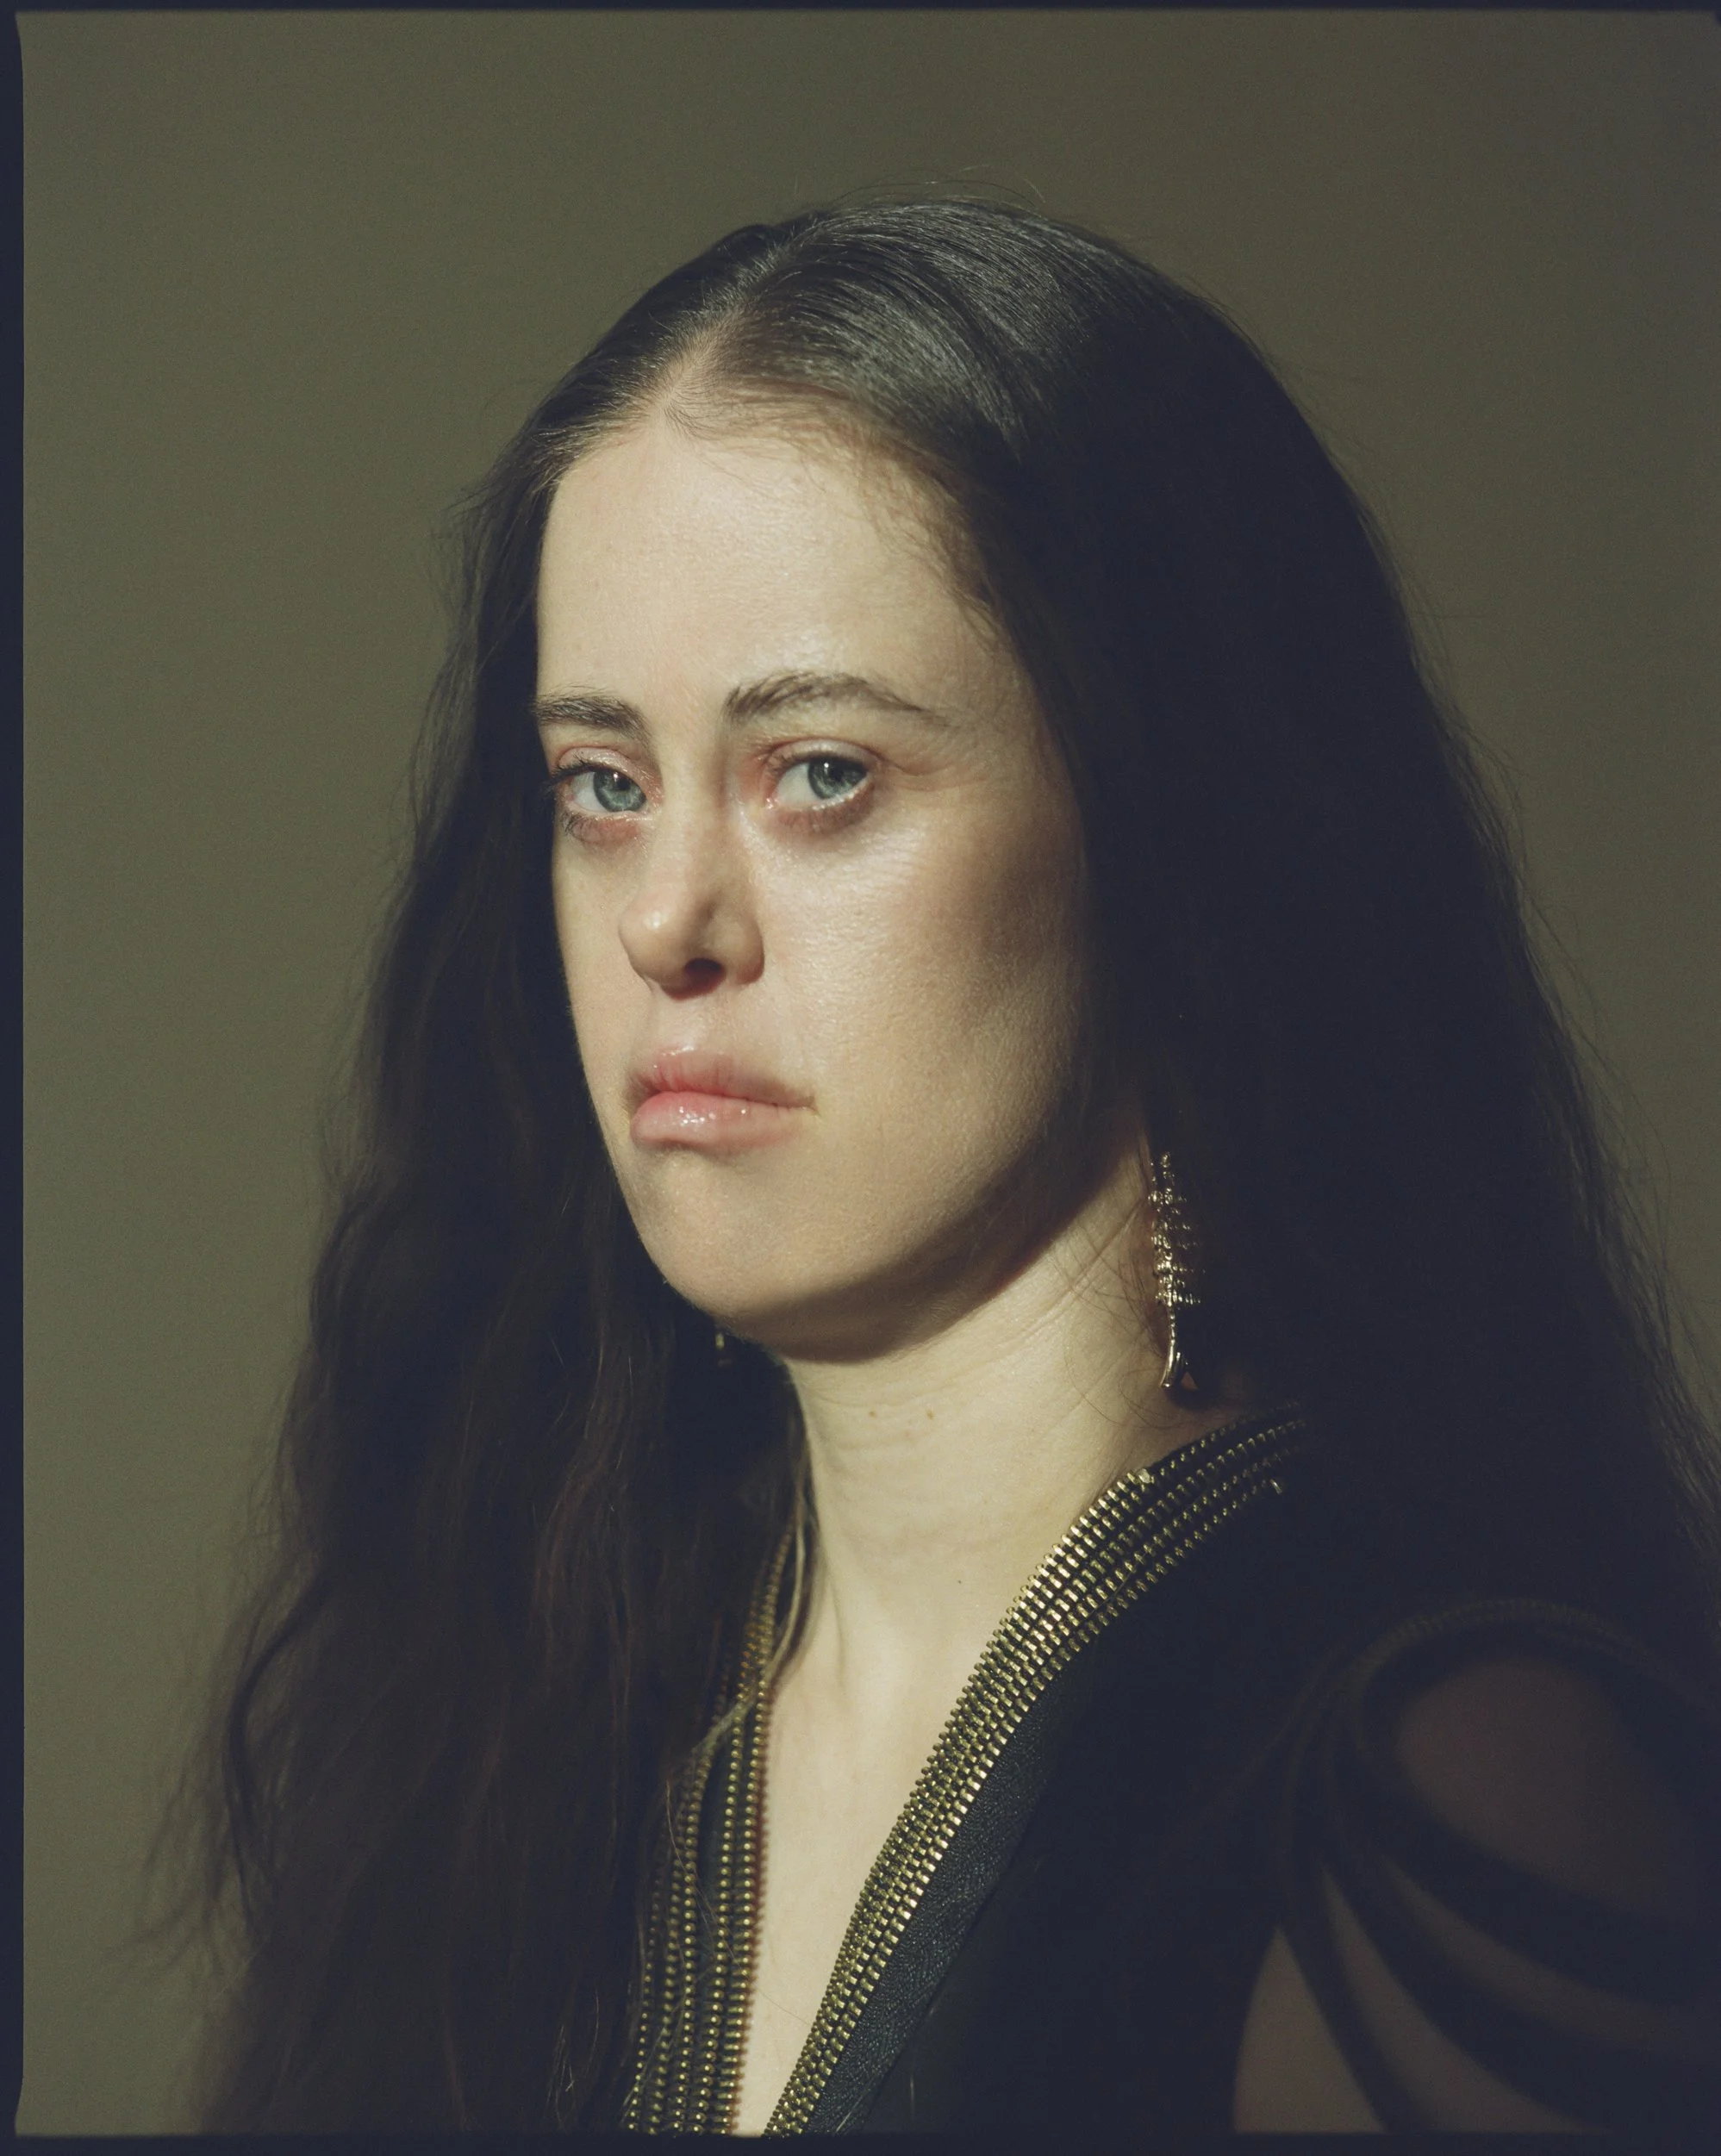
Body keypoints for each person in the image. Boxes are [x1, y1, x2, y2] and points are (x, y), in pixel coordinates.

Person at [171, 196, 1721, 2133]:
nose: (665, 919)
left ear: (1169, 828)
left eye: (820, 773)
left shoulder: (1445, 1782)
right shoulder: (523, 1729)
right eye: (603, 785)